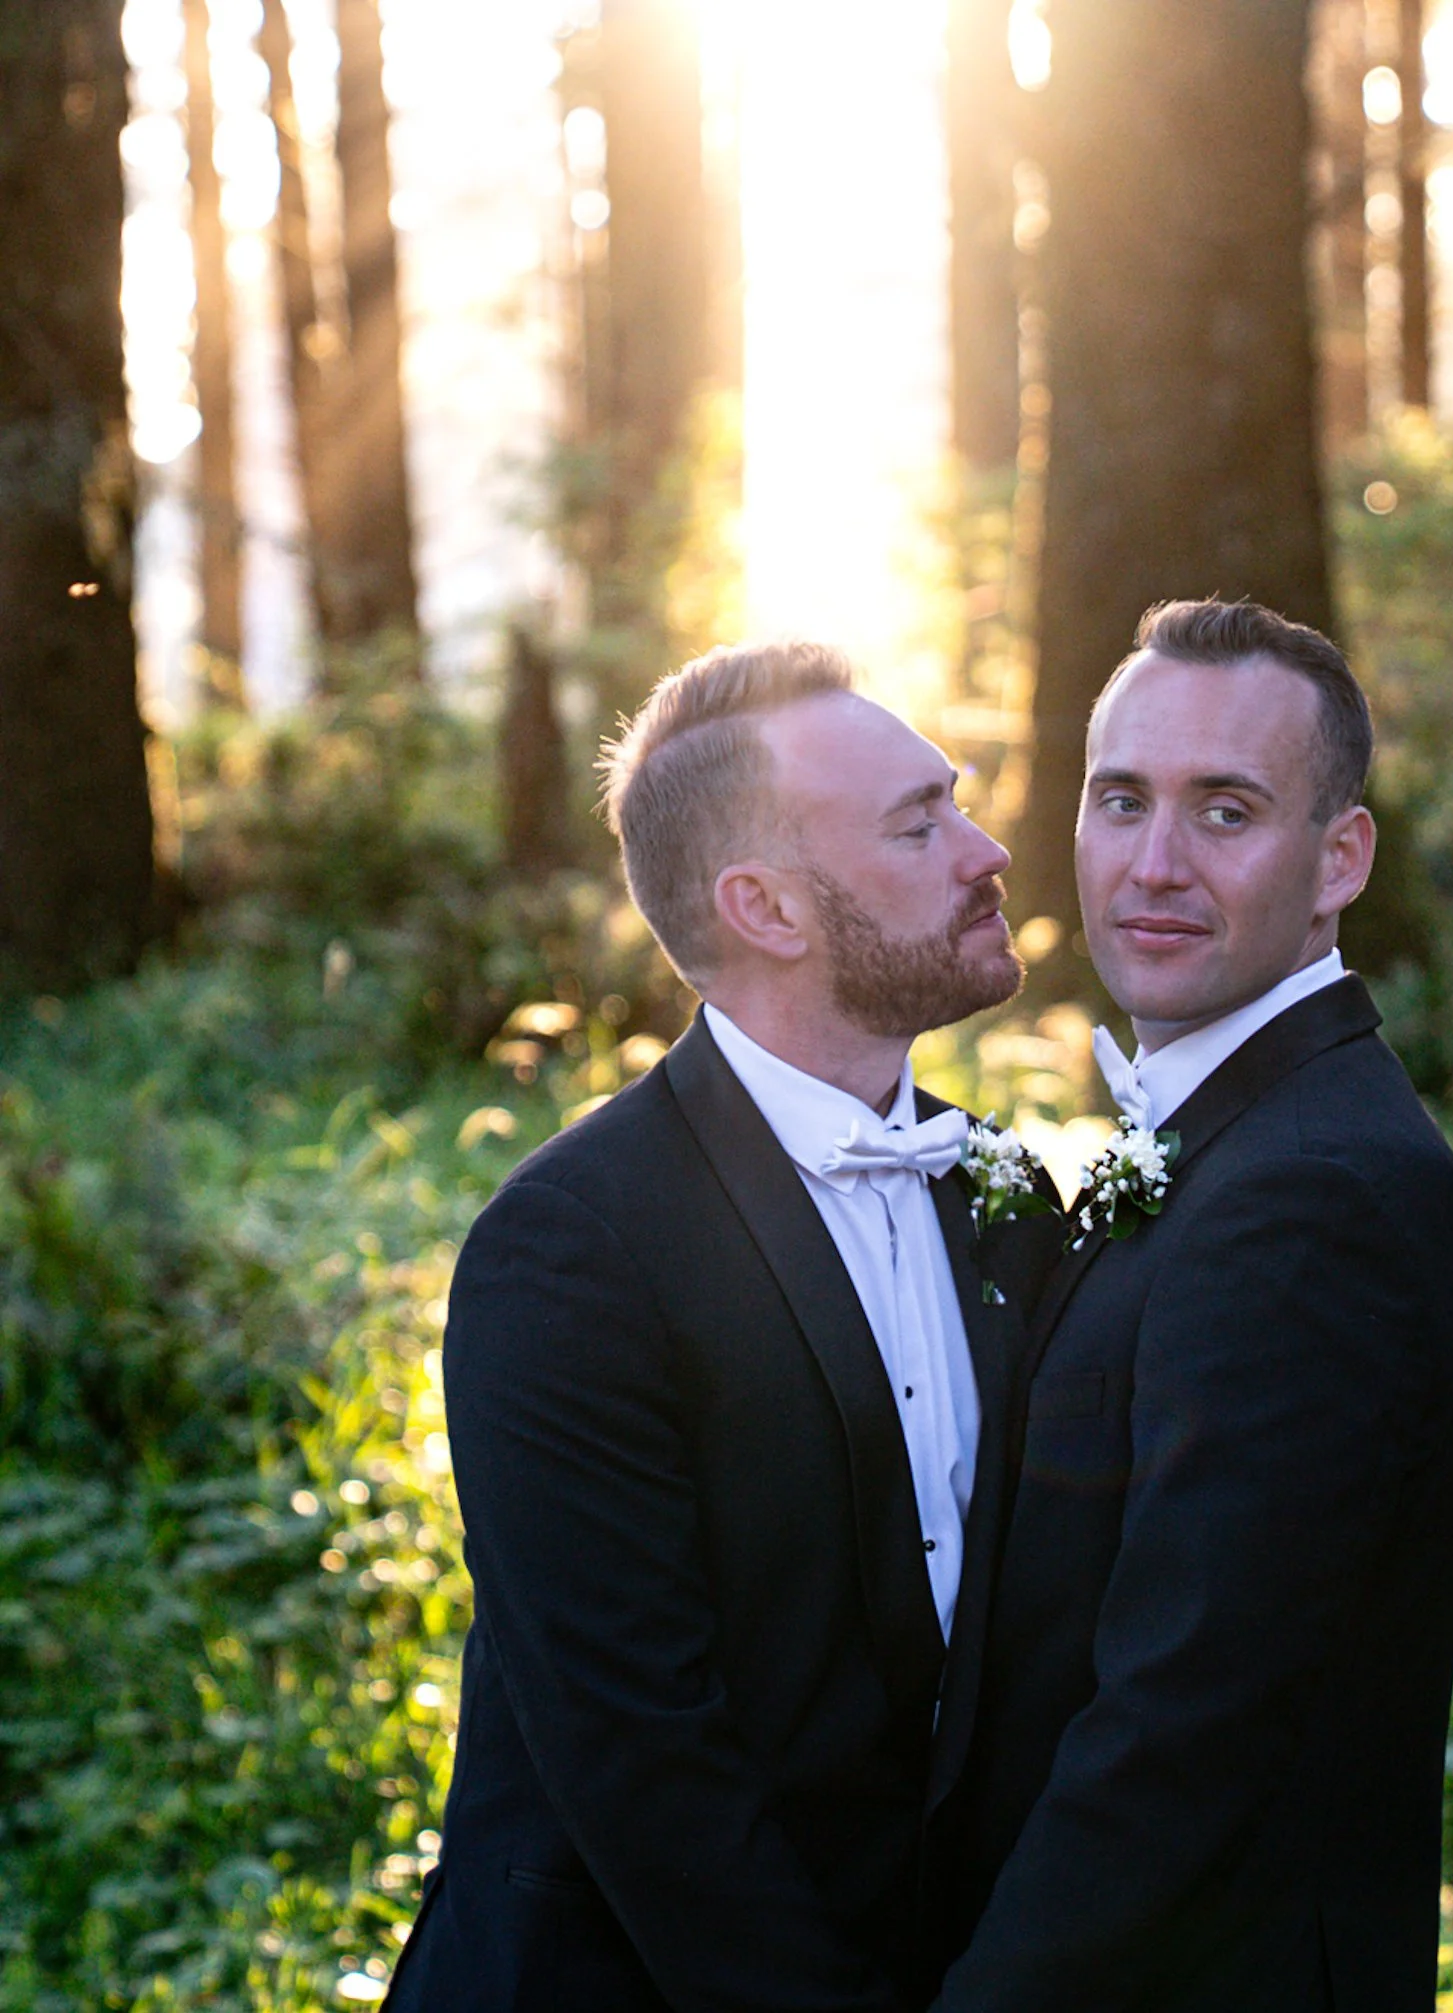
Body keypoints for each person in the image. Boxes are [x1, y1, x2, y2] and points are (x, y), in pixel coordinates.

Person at [384, 641, 1058, 2012]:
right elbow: (646, 1762)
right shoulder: (574, 1248)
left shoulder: (1008, 1197)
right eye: (919, 824)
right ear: (767, 906)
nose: (985, 850)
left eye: (958, 801)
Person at [928, 599, 1453, 2012]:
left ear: (1339, 859)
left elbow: (1186, 1732)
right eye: (1121, 799)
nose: (1155, 864)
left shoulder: (1315, 1201)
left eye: (1226, 811)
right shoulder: (1248, 1132)